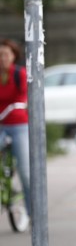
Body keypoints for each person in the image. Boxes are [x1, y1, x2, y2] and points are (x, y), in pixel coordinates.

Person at [0, 39, 30, 215]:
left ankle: (32, 214)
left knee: (26, 172)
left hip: (19, 125)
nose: (2, 58)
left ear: (13, 56)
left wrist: (23, 104)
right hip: (1, 125)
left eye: (5, 54)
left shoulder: (20, 74)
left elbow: (26, 96)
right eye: (0, 55)